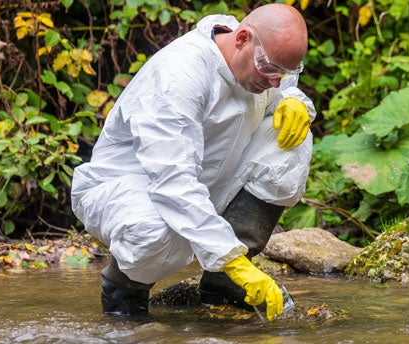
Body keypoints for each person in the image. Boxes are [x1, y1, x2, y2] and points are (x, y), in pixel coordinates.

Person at [70, 3, 314, 321]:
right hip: (133, 189)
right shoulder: (179, 76)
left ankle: (223, 282)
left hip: (206, 181)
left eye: (285, 73)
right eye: (269, 69)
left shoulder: (259, 63)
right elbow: (173, 183)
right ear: (241, 38)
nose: (275, 82)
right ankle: (125, 290)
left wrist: (295, 101)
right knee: (157, 228)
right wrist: (230, 258)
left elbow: (282, 86)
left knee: (292, 138)